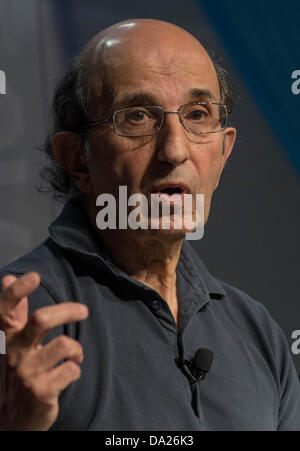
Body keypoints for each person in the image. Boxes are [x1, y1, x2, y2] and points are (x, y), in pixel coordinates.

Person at [0, 19, 299, 431]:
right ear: (78, 160)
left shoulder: (258, 332)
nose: (175, 150)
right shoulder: (20, 319)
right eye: (138, 116)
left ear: (224, 151)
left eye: (197, 115)